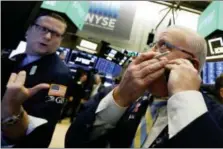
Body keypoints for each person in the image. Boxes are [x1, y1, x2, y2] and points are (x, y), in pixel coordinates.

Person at [65, 26, 223, 148]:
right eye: (152, 46)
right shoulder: (117, 95)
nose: (146, 54)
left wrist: (185, 99)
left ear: (190, 64)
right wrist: (120, 97)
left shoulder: (216, 117)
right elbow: (73, 142)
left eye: (163, 46)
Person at [1, 12, 72, 147]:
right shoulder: (12, 60)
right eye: (43, 29)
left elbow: (48, 118)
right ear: (29, 30)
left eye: (56, 34)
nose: (47, 36)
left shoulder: (61, 76)